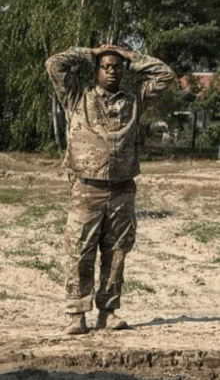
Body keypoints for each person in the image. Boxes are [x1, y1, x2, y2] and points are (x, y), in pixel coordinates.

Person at [45, 44, 175, 334]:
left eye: (117, 66)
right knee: (80, 251)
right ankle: (77, 315)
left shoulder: (134, 99)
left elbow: (165, 75)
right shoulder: (77, 97)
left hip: (122, 190)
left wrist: (131, 57)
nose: (112, 71)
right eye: (106, 66)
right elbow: (54, 64)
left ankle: (108, 313)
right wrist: (91, 52)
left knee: (116, 253)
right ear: (96, 71)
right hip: (86, 189)